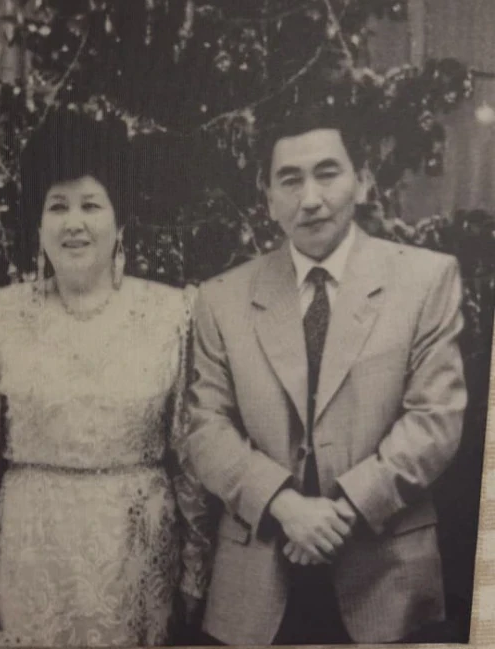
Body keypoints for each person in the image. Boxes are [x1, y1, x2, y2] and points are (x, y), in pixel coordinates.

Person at [185, 105, 467, 645]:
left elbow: (436, 421)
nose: (310, 198)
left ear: (362, 181)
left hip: (387, 574)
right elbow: (205, 428)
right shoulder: (221, 298)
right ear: (268, 197)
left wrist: (342, 512)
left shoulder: (426, 279)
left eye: (328, 173)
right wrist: (286, 507)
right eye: (290, 180)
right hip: (259, 580)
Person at [0, 111, 215, 647]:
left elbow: (189, 454)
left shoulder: (173, 313)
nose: (74, 223)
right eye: (58, 206)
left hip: (138, 555)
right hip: (31, 556)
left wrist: (196, 567)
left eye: (91, 205)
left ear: (120, 221)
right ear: (38, 222)